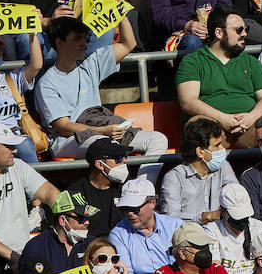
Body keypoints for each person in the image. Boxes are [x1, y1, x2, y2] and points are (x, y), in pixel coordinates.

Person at [38, 13, 166, 164]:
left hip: (102, 129)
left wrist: (120, 13)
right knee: (106, 145)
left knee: (158, 139)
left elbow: (128, 44)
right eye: (76, 39)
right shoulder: (47, 82)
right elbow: (64, 127)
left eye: (84, 39)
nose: (84, 44)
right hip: (67, 140)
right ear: (60, 43)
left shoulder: (90, 63)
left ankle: (142, 186)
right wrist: (103, 131)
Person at [176, 6, 262, 147]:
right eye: (239, 30)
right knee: (199, 128)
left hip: (248, 124)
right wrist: (223, 119)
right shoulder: (193, 61)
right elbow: (188, 101)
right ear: (219, 32)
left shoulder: (251, 62)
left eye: (245, 29)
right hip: (211, 126)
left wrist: (250, 117)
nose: (245, 34)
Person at [159, 116, 237, 224]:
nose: (222, 149)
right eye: (217, 145)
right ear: (201, 152)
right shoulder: (174, 178)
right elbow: (171, 217)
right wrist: (206, 217)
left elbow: (236, 195)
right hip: (190, 236)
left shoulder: (223, 166)